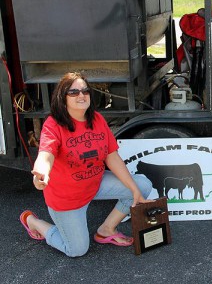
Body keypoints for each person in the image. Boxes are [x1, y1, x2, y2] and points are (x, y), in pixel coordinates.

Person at [19, 72, 153, 257]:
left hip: (94, 185)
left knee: (142, 185)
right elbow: (46, 154)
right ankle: (34, 222)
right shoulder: (54, 124)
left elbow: (111, 157)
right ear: (62, 97)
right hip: (68, 199)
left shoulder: (97, 119)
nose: (81, 95)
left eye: (85, 91)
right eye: (73, 92)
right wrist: (42, 171)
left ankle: (107, 229)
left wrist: (134, 190)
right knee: (76, 250)